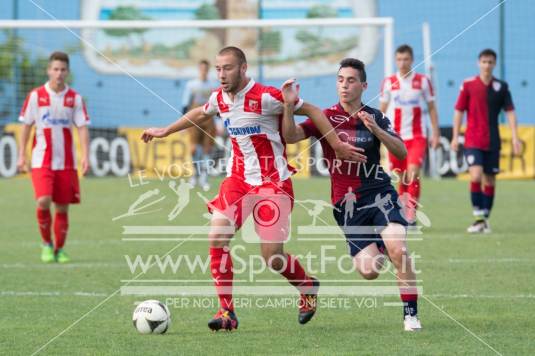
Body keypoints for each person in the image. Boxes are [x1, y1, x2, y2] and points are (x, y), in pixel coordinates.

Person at [141, 46, 362, 331]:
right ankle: (226, 312)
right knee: (217, 236)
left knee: (272, 257)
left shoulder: (267, 96)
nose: (221, 75)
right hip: (238, 180)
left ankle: (307, 285)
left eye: (228, 68)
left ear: (244, 69)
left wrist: (337, 145)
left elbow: (313, 111)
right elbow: (200, 112)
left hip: (274, 183)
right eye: (219, 69)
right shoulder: (220, 98)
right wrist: (165, 130)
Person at [281, 58, 423, 331]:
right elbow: (290, 136)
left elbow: (402, 153)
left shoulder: (374, 116)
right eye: (340, 79)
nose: (344, 85)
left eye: (351, 80)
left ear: (364, 85)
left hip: (380, 194)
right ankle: (381, 244)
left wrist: (377, 130)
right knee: (369, 271)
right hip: (347, 206)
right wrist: (288, 107)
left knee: (399, 249)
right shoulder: (325, 116)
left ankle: (411, 315)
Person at [17, 51, 90, 263]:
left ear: (67, 72)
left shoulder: (74, 98)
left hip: (66, 162)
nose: (58, 73)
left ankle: (59, 249)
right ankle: (46, 244)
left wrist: (85, 156)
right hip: (41, 160)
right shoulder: (35, 96)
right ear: (49, 70)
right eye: (55, 69)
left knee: (62, 206)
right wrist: (22, 155)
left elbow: (82, 128)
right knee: (43, 200)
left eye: (63, 70)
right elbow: (26, 126)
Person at [451, 48, 521, 233]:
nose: (487, 65)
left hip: (493, 141)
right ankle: (478, 218)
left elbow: (510, 112)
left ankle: (484, 219)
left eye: (490, 62)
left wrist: (515, 137)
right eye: (484, 62)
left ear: (494, 64)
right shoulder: (468, 85)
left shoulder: (502, 87)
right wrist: (455, 135)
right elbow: (459, 111)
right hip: (473, 139)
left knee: (490, 181)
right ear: (478, 63)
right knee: (475, 175)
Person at [379, 44, 440, 224]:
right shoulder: (389, 82)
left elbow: (431, 108)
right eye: (399, 59)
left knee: (413, 172)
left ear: (412, 60)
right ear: (395, 61)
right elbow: (382, 110)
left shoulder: (423, 81)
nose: (402, 62)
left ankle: (410, 214)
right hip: (394, 138)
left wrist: (435, 133)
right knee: (402, 177)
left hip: (417, 136)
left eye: (406, 59)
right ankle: (402, 210)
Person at [181, 59, 219, 191]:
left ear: (208, 70)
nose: (204, 71)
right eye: (202, 68)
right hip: (194, 118)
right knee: (193, 149)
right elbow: (185, 104)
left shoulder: (213, 85)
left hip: (209, 119)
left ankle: (204, 179)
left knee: (207, 149)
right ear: (199, 69)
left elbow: (217, 104)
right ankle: (194, 176)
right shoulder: (192, 85)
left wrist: (219, 123)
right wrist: (183, 123)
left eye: (206, 69)